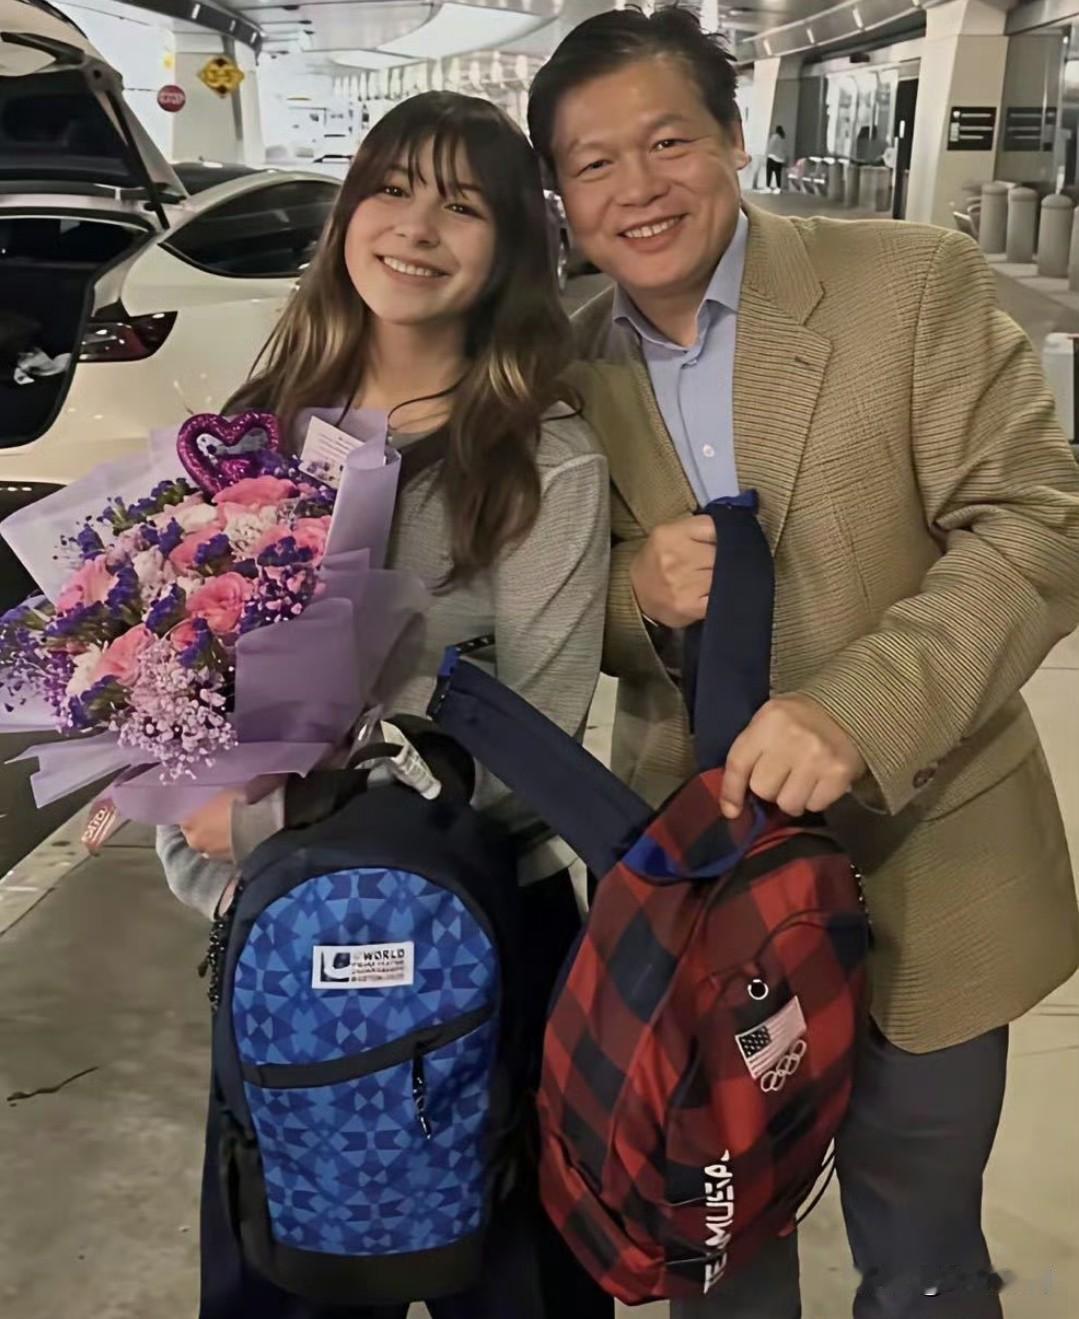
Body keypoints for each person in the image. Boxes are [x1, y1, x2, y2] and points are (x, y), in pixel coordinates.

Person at [527, 8, 1079, 1318]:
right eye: (593, 163)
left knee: (921, 1246)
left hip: (928, 853)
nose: (636, 186)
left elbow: (1034, 520)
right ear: (562, 199)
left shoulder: (908, 281)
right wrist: (630, 593)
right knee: (716, 1239)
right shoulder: (561, 369)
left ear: (732, 138)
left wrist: (856, 707)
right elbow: (540, 605)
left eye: (667, 140)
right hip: (703, 891)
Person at [156, 91, 613, 1319]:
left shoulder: (541, 458)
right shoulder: (257, 429)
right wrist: (189, 806)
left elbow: (535, 745)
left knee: (505, 1275)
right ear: (348, 209)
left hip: (482, 929)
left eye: (461, 206)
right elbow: (180, 664)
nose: (415, 227)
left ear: (509, 249)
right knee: (289, 1265)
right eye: (392, 188)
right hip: (283, 936)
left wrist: (272, 819)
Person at [765, 124, 787, 193]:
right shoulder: (782, 138)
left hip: (772, 157)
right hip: (779, 159)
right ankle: (778, 187)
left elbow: (770, 146)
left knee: (769, 173)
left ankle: (768, 187)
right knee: (778, 174)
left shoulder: (774, 137)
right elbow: (784, 149)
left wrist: (767, 155)